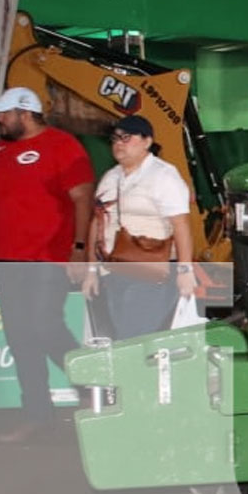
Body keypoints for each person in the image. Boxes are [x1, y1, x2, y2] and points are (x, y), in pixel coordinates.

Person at [0, 87, 95, 444]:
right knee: (20, 338)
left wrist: (79, 249)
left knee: (42, 326)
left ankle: (91, 387)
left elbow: (83, 199)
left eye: (4, 113)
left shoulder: (63, 146)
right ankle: (38, 416)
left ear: (26, 112)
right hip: (6, 260)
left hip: (46, 259)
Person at [81, 114, 197, 339]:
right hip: (114, 271)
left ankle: (139, 374)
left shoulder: (164, 176)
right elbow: (97, 223)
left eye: (126, 137)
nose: (118, 144)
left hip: (153, 270)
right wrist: (92, 270)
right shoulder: (110, 177)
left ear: (147, 141)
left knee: (133, 335)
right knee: (122, 335)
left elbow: (181, 224)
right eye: (115, 139)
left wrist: (185, 269)